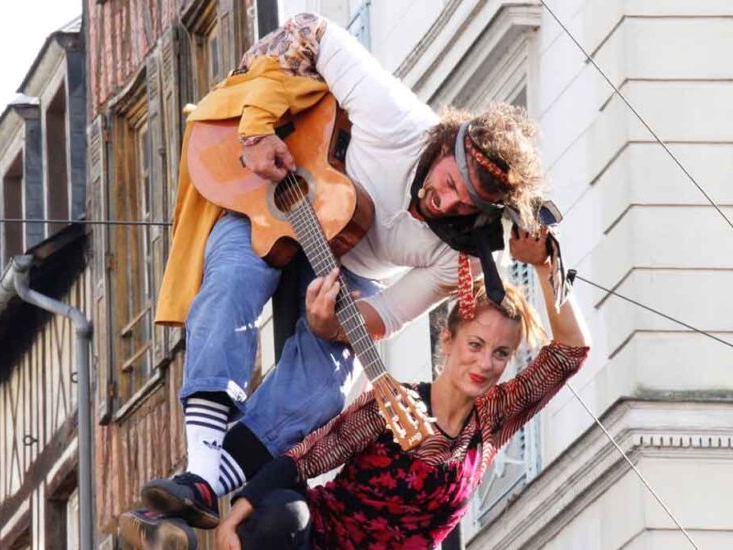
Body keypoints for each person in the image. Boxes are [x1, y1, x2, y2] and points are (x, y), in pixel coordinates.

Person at [132, 11, 555, 539]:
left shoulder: (457, 256)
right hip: (270, 202)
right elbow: (308, 28)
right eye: (447, 182)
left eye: (460, 204)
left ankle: (207, 485)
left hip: (348, 269)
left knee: (324, 389)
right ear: (444, 145)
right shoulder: (398, 119)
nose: (442, 200)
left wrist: (330, 324)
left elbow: (384, 317)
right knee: (232, 286)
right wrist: (257, 132)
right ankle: (200, 469)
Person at [209, 227, 591, 549]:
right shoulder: (391, 405)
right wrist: (234, 518)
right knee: (283, 515)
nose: (485, 363)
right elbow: (306, 458)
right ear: (448, 340)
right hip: (322, 540)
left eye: (500, 353)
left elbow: (570, 353)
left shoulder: (491, 420)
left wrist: (544, 263)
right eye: (475, 345)